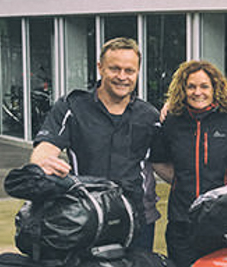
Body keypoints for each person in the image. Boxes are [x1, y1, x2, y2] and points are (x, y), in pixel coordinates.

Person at [30, 37, 161, 249]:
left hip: (137, 218)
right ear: (100, 68)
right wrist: (42, 163)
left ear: (138, 72)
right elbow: (46, 147)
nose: (122, 77)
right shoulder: (72, 107)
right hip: (85, 215)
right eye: (114, 69)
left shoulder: (150, 116)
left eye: (129, 71)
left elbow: (162, 163)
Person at [151, 60, 227, 267]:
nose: (197, 92)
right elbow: (158, 160)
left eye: (204, 86)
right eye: (191, 86)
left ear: (215, 88)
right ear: (183, 89)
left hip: (221, 222)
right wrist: (181, 180)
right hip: (181, 221)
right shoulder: (172, 121)